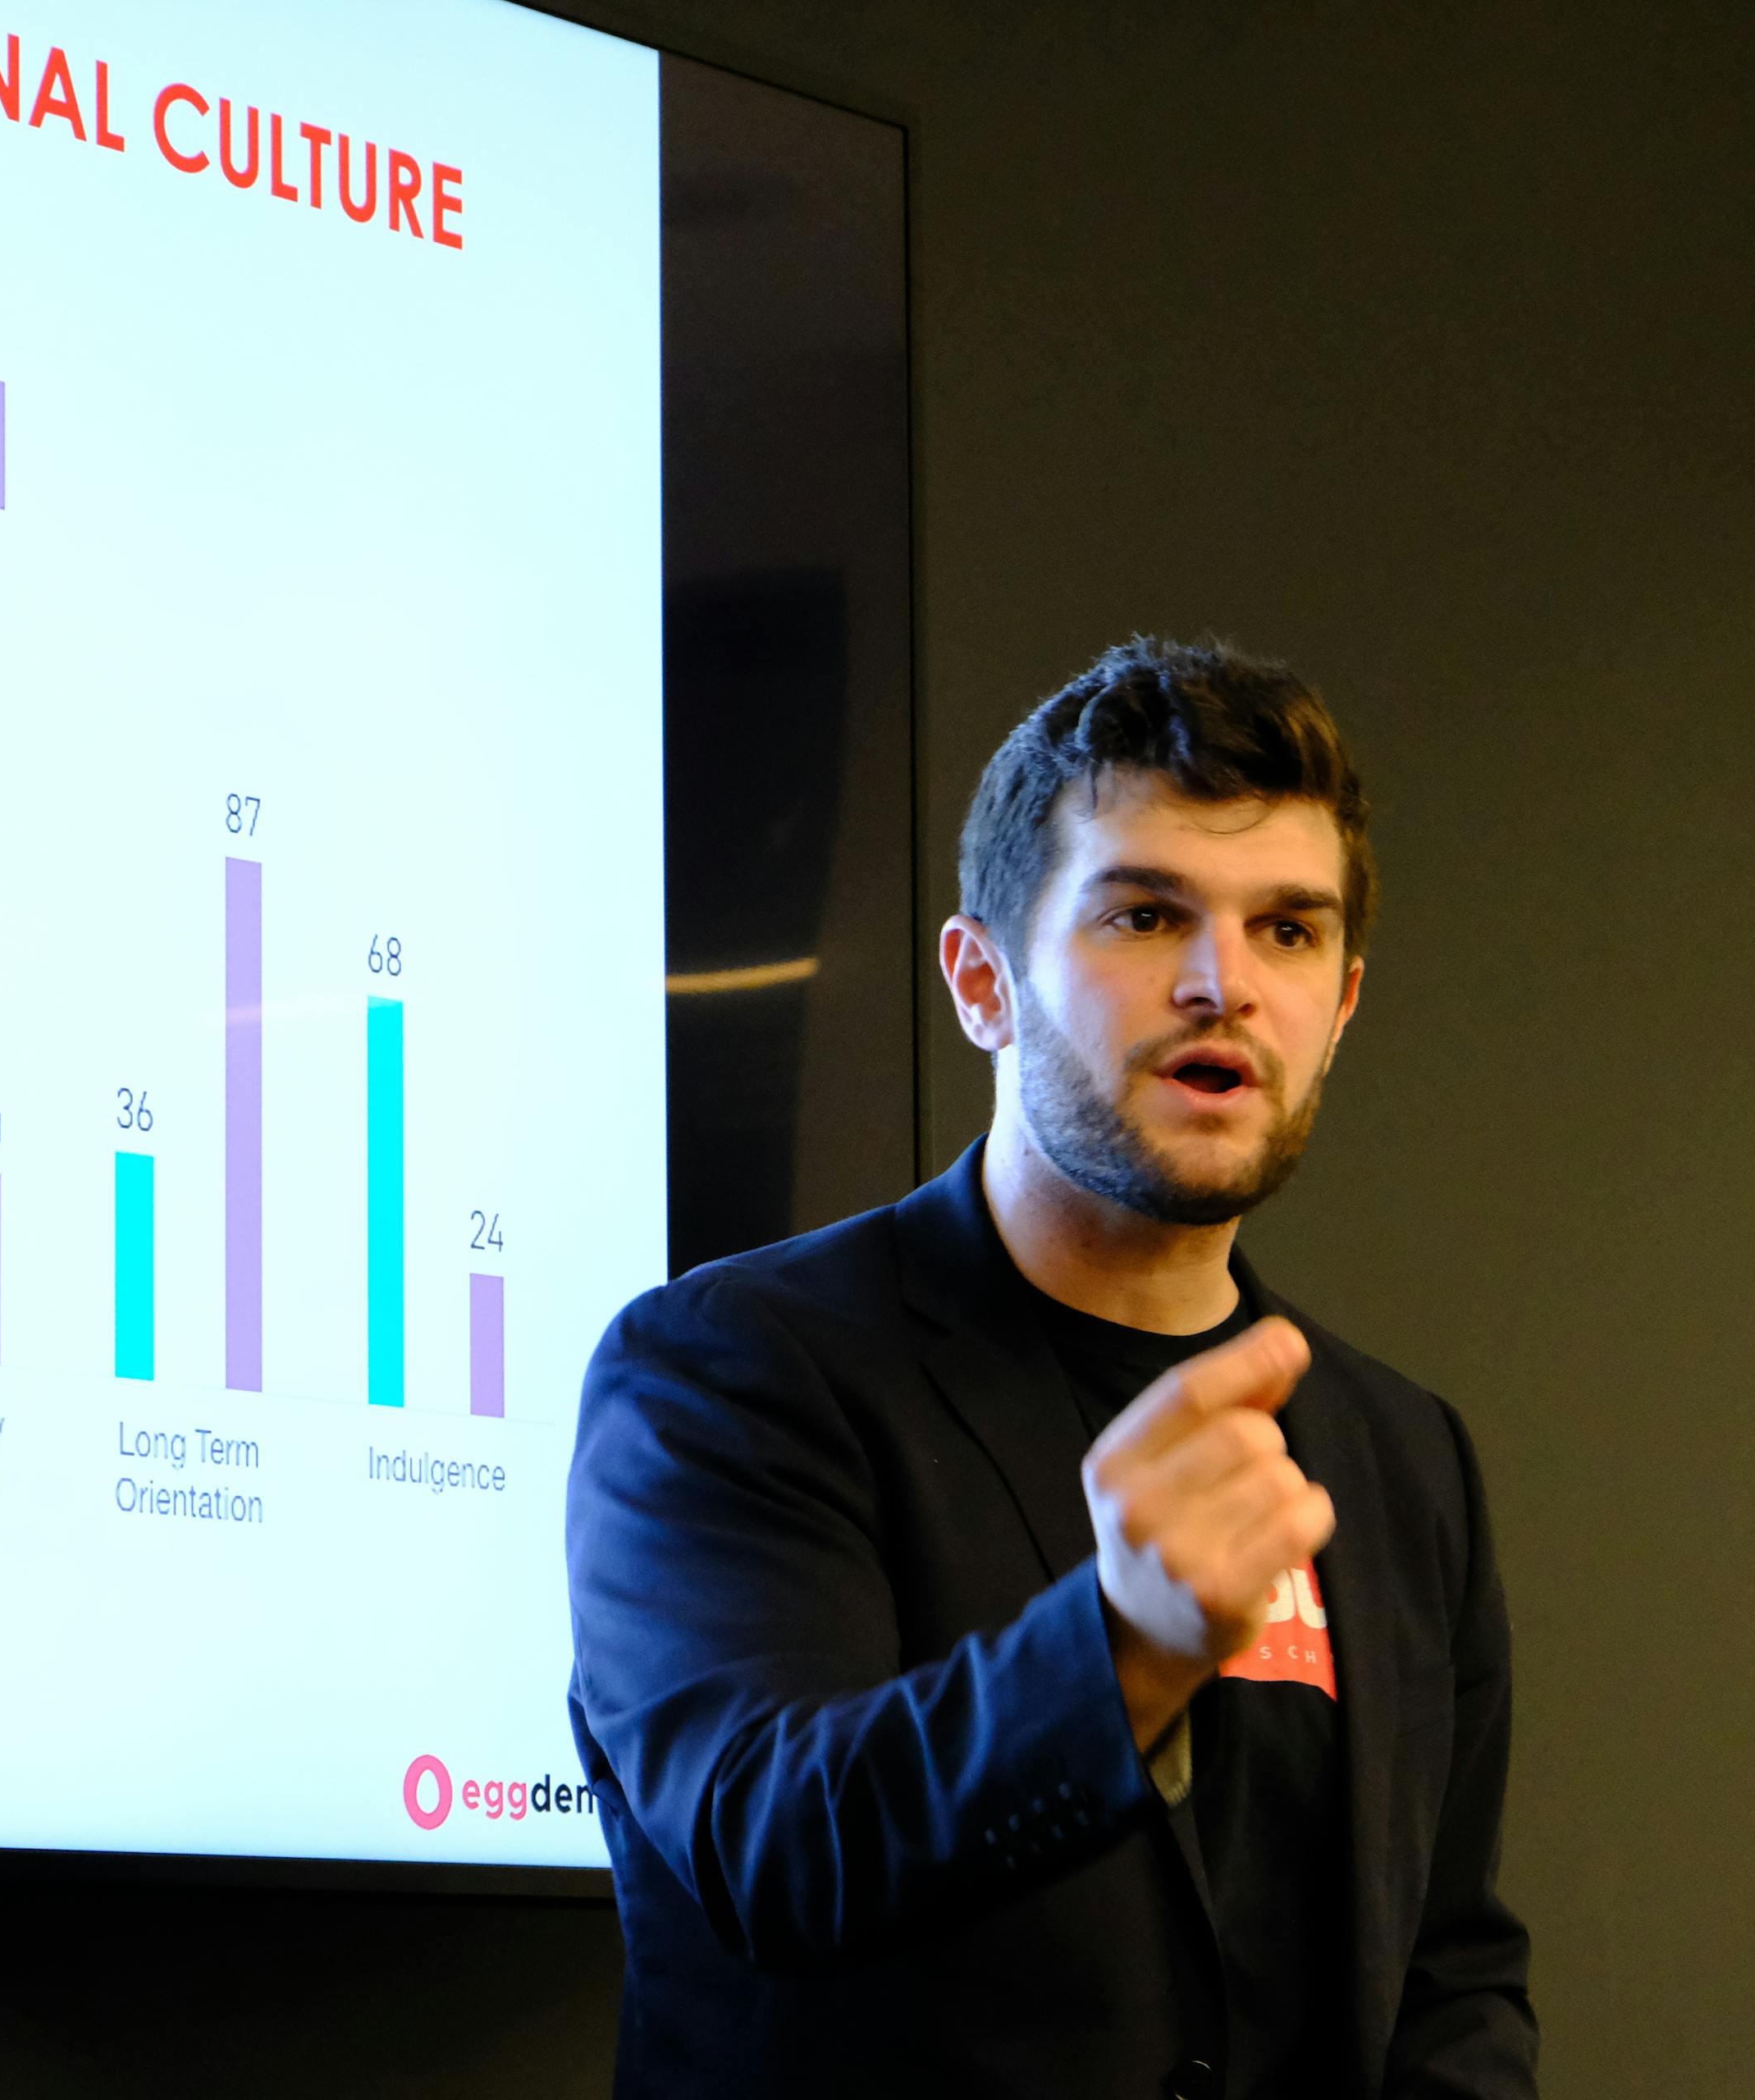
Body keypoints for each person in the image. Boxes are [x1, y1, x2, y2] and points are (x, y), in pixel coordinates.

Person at [566, 638, 1536, 2098]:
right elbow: (773, 1850)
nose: (1224, 985)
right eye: (1147, 915)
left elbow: (1449, 1979)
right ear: (983, 982)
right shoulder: (728, 1375)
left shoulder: (1400, 1453)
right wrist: (1123, 1651)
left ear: (1339, 1008)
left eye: (1288, 931)